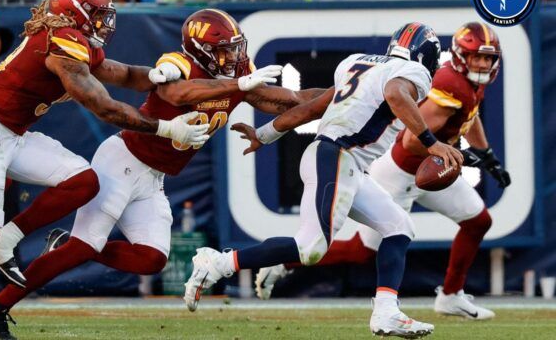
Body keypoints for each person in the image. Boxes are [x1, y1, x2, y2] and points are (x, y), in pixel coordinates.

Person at [0, 7, 331, 339]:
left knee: (151, 259)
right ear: (200, 50)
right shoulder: (180, 63)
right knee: (85, 244)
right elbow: (177, 94)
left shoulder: (237, 71)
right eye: (224, 51)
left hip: (155, 177)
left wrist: (339, 94)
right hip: (123, 160)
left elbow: (285, 100)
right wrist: (238, 84)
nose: (233, 58)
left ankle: (65, 247)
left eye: (236, 49)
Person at [0, 0, 208, 339]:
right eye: (96, 13)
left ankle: (7, 238)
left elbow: (119, 73)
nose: (104, 22)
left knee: (83, 181)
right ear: (74, 11)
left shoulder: (71, 36)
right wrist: (165, 128)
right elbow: (101, 105)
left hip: (12, 133)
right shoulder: (61, 40)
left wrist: (155, 75)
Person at [185, 22, 464, 338]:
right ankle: (219, 263)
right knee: (310, 249)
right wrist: (432, 142)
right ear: (426, 56)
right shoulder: (414, 74)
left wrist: (265, 133)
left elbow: (317, 106)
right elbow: (395, 92)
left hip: (343, 162)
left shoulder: (359, 63)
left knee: (399, 227)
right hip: (337, 157)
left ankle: (387, 312)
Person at [255, 22, 509, 321]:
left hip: (433, 168)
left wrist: (487, 155)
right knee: (363, 250)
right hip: (402, 170)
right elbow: (413, 141)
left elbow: (469, 116)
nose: (482, 63)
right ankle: (284, 262)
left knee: (478, 221)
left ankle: (451, 297)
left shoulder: (471, 85)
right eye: (476, 56)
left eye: (487, 58)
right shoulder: (449, 84)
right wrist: (460, 155)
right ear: (458, 55)